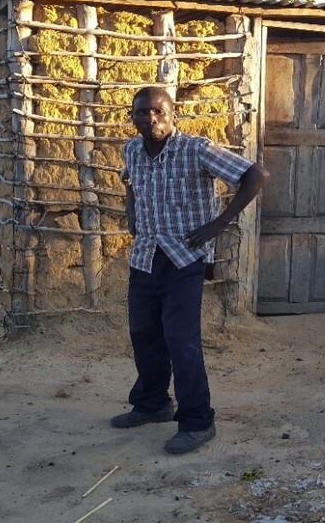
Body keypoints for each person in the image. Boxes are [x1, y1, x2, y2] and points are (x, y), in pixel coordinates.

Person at [112, 86, 268, 454]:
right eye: (141, 112)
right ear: (132, 117)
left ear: (172, 114)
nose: (150, 118)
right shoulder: (132, 150)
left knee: (181, 340)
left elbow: (255, 175)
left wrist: (219, 224)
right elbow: (130, 182)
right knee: (143, 333)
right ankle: (152, 404)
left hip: (185, 258)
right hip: (146, 256)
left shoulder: (196, 149)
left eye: (158, 111)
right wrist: (132, 213)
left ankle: (198, 421)